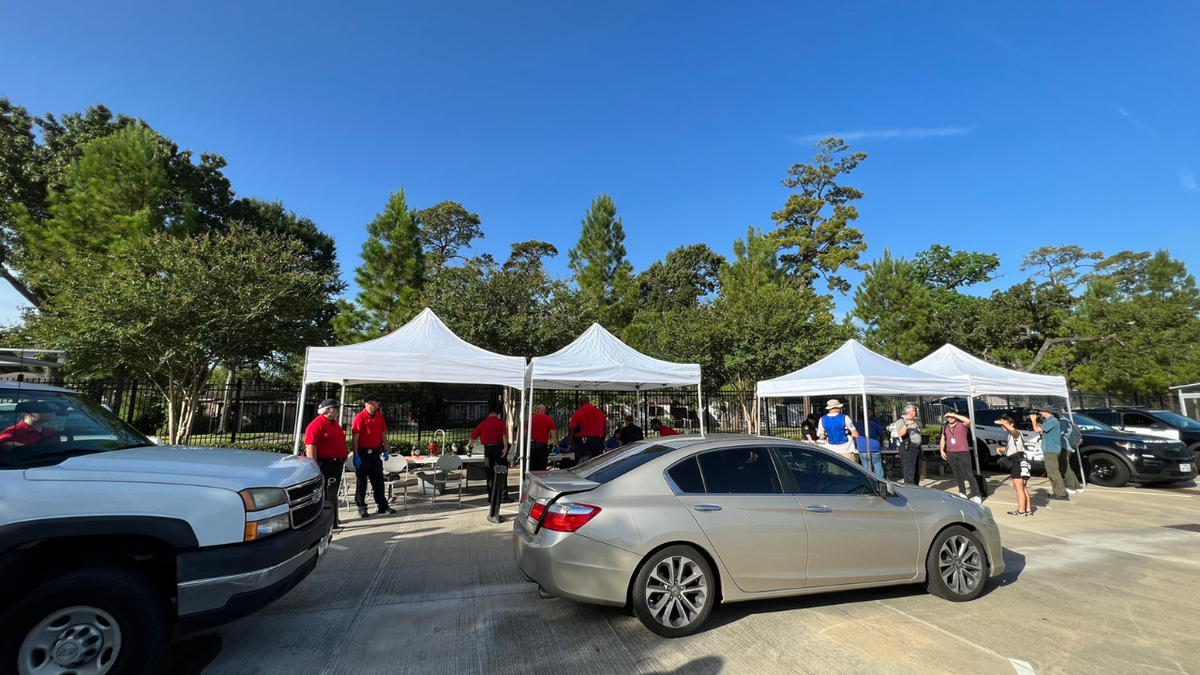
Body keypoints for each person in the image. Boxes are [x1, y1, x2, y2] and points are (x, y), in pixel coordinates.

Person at [304, 398, 348, 527]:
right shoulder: (317, 424)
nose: (338, 411)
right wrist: (314, 466)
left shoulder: (334, 424)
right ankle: (325, 520)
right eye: (335, 408)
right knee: (325, 493)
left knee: (333, 493)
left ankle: (333, 519)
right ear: (328, 410)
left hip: (336, 463)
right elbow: (310, 445)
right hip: (325, 464)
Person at [351, 394, 395, 519]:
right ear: (369, 402)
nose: (378, 404)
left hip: (375, 454)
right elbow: (355, 438)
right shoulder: (360, 418)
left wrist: (385, 449)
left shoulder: (379, 417)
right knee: (362, 482)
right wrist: (355, 455)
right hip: (363, 454)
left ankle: (382, 505)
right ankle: (362, 507)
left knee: (378, 480)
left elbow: (383, 433)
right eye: (377, 402)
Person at [1032, 405, 1078, 501]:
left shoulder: (1053, 421)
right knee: (1051, 472)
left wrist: (1033, 420)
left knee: (1053, 472)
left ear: (1046, 412)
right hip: (1050, 449)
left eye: (1041, 411)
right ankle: (1057, 492)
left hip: (1051, 450)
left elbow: (1036, 430)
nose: (1040, 413)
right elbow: (1042, 432)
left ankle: (1061, 493)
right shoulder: (1049, 421)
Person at [469, 407, 511, 503]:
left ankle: (491, 497)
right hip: (498, 449)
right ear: (497, 415)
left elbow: (472, 436)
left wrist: (470, 444)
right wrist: (505, 448)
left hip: (488, 450)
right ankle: (503, 496)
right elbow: (504, 435)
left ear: (489, 415)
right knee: (501, 472)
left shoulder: (483, 424)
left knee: (490, 473)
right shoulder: (501, 422)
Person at [940, 409, 981, 503]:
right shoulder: (945, 426)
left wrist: (955, 415)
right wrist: (942, 450)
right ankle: (962, 492)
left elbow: (968, 421)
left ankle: (976, 494)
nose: (950, 418)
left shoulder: (961, 424)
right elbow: (943, 438)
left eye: (952, 416)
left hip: (963, 452)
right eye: (948, 417)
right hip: (951, 452)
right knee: (957, 474)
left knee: (968, 474)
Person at [996, 414, 1033, 516]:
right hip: (1018, 460)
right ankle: (1028, 509)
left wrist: (1003, 422)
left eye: (1005, 424)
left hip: (1018, 460)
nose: (1003, 427)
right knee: (1022, 487)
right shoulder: (1010, 436)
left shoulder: (1016, 433)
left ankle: (1021, 510)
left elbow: (1013, 431)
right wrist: (1001, 448)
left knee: (1018, 487)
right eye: (1002, 425)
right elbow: (1010, 447)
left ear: (1011, 424)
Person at [890, 404, 923, 485]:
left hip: (917, 448)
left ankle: (916, 486)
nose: (915, 412)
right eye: (914, 410)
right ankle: (910, 488)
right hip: (908, 448)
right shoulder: (901, 421)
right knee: (909, 470)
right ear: (909, 412)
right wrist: (906, 425)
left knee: (917, 469)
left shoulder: (914, 422)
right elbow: (900, 433)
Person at [817, 399, 859, 464]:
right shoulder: (845, 417)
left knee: (834, 472)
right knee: (849, 471)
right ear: (837, 408)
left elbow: (821, 436)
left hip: (831, 449)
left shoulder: (822, 419)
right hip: (846, 448)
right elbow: (855, 434)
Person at [569, 396, 607, 462]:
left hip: (584, 442)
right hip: (598, 440)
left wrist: (569, 442)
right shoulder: (599, 412)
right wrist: (603, 439)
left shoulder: (579, 412)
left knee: (583, 464)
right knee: (598, 463)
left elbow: (572, 428)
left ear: (580, 403)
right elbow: (605, 427)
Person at [854, 408, 885, 478]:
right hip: (875, 446)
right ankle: (880, 479)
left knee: (866, 465)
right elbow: (882, 435)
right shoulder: (874, 424)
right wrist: (881, 441)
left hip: (862, 447)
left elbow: (853, 434)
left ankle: (868, 478)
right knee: (877, 464)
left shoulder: (856, 425)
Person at [527, 404, 556, 472]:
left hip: (531, 445)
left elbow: (525, 432)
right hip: (542, 446)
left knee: (531, 467)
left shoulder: (531, 419)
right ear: (544, 411)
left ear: (537, 410)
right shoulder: (549, 419)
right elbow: (553, 433)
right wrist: (557, 445)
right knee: (541, 468)